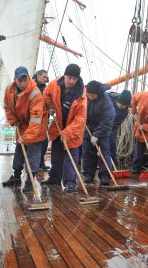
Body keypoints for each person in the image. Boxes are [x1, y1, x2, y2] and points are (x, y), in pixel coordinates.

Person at [42, 64, 87, 192]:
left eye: (75, 79)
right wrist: (50, 106)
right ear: (65, 75)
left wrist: (66, 133)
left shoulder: (81, 95)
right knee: (56, 155)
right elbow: (46, 95)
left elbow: (80, 120)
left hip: (73, 130)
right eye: (70, 78)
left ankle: (70, 182)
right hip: (58, 126)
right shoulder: (54, 84)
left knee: (71, 157)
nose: (72, 81)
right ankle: (55, 178)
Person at [2, 67, 47, 192]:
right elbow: (7, 106)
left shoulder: (35, 93)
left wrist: (27, 137)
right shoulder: (9, 90)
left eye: (24, 79)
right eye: (19, 80)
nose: (22, 83)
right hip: (21, 124)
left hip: (36, 126)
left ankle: (30, 180)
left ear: (28, 78)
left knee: (33, 153)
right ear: (15, 80)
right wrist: (12, 120)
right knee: (19, 151)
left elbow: (35, 120)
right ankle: (16, 176)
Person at [82, 81, 115, 185]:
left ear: (98, 94)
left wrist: (97, 134)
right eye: (89, 95)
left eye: (93, 96)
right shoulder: (85, 97)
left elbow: (108, 119)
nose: (90, 97)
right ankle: (88, 174)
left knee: (104, 152)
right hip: (88, 126)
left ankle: (105, 175)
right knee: (87, 151)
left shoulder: (106, 102)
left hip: (103, 128)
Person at [33, 69, 50, 171]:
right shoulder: (32, 87)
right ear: (38, 76)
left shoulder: (46, 89)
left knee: (44, 142)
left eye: (46, 77)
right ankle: (33, 164)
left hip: (44, 120)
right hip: (34, 121)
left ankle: (41, 163)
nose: (46, 79)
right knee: (34, 144)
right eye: (44, 77)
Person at [108, 90, 132, 162]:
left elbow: (116, 124)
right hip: (99, 124)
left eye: (125, 105)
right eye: (121, 103)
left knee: (112, 145)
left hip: (112, 128)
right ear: (118, 99)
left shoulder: (125, 112)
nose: (122, 106)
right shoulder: (108, 99)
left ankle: (112, 164)